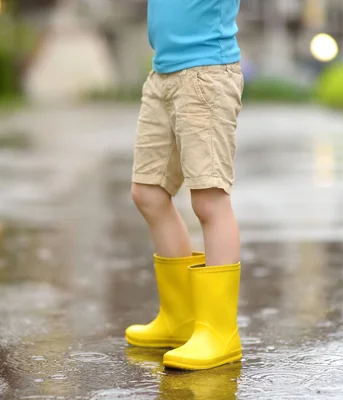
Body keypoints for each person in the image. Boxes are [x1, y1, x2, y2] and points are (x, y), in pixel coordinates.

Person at [125, 0, 244, 371]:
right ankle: (179, 319)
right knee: (148, 193)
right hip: (162, 74)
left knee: (209, 201)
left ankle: (219, 331)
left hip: (206, 73)